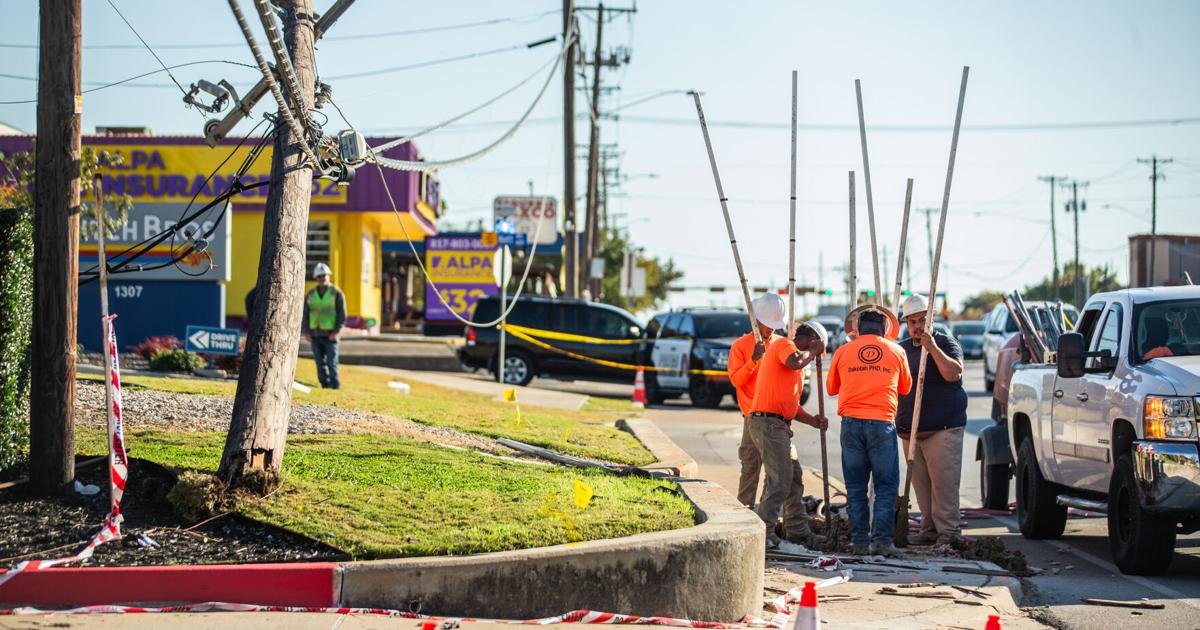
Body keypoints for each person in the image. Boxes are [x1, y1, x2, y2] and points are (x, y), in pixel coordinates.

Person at [827, 308, 912, 557]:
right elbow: (905, 388)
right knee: (885, 486)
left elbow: (832, 388)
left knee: (855, 488)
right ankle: (882, 542)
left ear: (858, 329)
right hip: (882, 423)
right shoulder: (897, 351)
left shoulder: (843, 351)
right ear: (885, 330)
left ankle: (860, 543)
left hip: (851, 424)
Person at [746, 319, 830, 549]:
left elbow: (791, 406)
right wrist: (813, 351)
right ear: (811, 340)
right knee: (780, 481)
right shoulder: (785, 345)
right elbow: (794, 362)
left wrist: (813, 421)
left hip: (778, 424)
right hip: (769, 423)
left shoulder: (795, 365)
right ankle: (764, 531)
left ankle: (798, 532)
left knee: (793, 479)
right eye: (814, 346)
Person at [896, 294, 968, 546]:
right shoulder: (902, 348)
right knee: (923, 491)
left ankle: (948, 534)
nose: (917, 327)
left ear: (931, 318)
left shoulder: (945, 343)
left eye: (922, 320)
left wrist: (932, 348)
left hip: (942, 427)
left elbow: (953, 374)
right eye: (912, 321)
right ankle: (929, 530)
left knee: (944, 487)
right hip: (911, 431)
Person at [727, 293, 786, 508]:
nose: (771, 329)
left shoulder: (782, 344)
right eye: (767, 324)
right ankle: (745, 509)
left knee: (776, 470)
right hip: (752, 416)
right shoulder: (741, 346)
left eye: (774, 325)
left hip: (776, 417)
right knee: (751, 466)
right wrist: (753, 359)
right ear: (756, 320)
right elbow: (736, 380)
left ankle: (766, 512)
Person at [302, 262, 347, 389]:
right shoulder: (310, 294)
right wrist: (306, 332)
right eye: (319, 276)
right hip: (315, 335)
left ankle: (335, 386)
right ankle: (324, 386)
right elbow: (305, 314)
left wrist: (336, 332)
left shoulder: (337, 293)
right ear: (316, 278)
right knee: (319, 363)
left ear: (328, 276)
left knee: (332, 363)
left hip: (330, 335)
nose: (322, 278)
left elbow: (342, 316)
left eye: (324, 275)